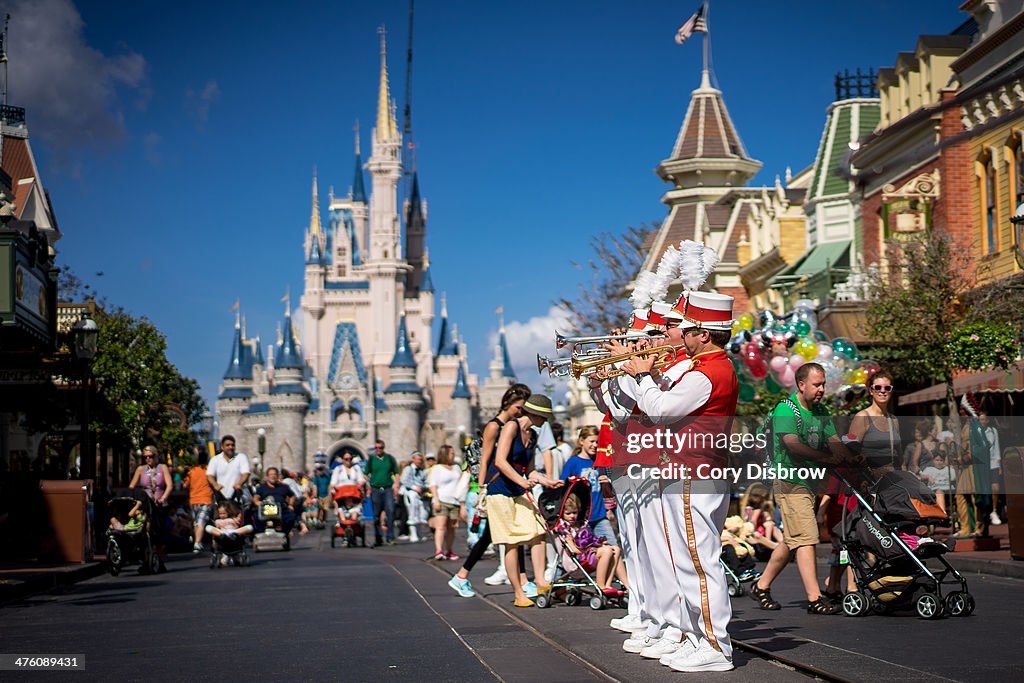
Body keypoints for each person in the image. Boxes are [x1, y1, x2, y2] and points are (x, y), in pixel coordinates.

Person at [618, 290, 742, 671]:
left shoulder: (708, 373)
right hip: (685, 469)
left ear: (705, 334)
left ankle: (716, 645)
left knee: (697, 561)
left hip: (695, 472)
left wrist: (642, 375)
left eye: (688, 330)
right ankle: (694, 635)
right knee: (684, 558)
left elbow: (661, 411)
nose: (681, 336)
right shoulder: (702, 368)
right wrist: (646, 375)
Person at [750, 362, 858, 617]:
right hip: (789, 480)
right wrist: (826, 459)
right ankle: (814, 597)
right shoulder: (786, 410)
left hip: (810, 481)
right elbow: (793, 445)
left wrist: (849, 458)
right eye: (816, 384)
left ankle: (761, 585)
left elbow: (833, 441)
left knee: (793, 538)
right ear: (801, 384)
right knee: (807, 536)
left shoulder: (820, 410)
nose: (822, 389)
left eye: (823, 384)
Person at [448, 383, 533, 599]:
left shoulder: (515, 428)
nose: (520, 412)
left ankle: (462, 576)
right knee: (507, 536)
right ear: (508, 403)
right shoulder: (495, 426)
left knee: (500, 535)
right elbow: (485, 458)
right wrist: (482, 487)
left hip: (509, 486)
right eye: (519, 407)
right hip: (496, 486)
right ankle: (463, 576)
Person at [487, 394, 562, 607]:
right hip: (500, 490)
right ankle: (519, 593)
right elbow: (500, 461)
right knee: (512, 542)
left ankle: (539, 580)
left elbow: (530, 471)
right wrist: (521, 480)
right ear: (535, 413)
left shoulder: (533, 435)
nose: (546, 421)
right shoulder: (511, 427)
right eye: (544, 416)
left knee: (538, 532)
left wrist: (546, 481)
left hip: (518, 489)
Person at [556, 492, 629, 593]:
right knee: (606, 551)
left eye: (575, 513)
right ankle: (600, 585)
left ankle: (612, 585)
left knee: (615, 549)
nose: (572, 516)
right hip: (575, 562)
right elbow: (575, 550)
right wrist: (592, 547)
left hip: (586, 556)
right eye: (568, 513)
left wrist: (598, 544)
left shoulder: (579, 525)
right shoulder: (564, 528)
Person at [561, 426, 616, 543]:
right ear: (581, 441)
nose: (595, 445)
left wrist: (609, 509)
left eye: (597, 442)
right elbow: (564, 488)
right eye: (592, 441)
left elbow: (605, 488)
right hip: (581, 519)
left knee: (613, 547)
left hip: (600, 516)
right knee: (589, 554)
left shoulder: (599, 461)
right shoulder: (573, 463)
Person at [128, 444, 173, 572]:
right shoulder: (140, 469)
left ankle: (159, 559)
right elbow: (132, 486)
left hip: (159, 505)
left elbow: (169, 485)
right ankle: (146, 560)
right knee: (143, 532)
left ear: (156, 456)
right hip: (145, 505)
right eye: (145, 457)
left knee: (159, 534)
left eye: (151, 457)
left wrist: (163, 498)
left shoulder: (162, 468)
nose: (148, 459)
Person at [848, 370, 901, 477]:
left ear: (891, 390)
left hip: (893, 478)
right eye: (877, 388)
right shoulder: (862, 417)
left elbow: (899, 454)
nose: (882, 391)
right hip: (870, 480)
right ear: (871, 391)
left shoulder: (893, 420)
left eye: (887, 388)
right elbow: (850, 453)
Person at [428, 445, 465, 560]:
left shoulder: (456, 468)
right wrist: (436, 500)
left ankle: (449, 550)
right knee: (441, 527)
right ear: (444, 455)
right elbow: (433, 485)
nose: (452, 455)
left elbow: (461, 483)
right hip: (442, 500)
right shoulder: (437, 468)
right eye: (451, 453)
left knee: (452, 528)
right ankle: (439, 550)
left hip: (455, 501)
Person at [365, 439, 400, 546]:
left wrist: (396, 485)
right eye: (376, 448)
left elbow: (396, 473)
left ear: (383, 448)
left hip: (388, 489)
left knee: (390, 512)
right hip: (375, 489)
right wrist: (368, 486)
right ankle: (378, 537)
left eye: (380, 448)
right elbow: (366, 474)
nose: (378, 450)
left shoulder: (390, 459)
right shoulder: (371, 460)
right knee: (376, 515)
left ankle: (390, 537)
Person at [738, 482, 782, 560]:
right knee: (759, 533)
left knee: (772, 526)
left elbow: (769, 520)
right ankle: (776, 546)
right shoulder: (749, 509)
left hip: (762, 532)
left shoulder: (765, 508)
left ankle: (780, 543)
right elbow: (752, 524)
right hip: (752, 532)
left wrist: (765, 513)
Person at [184, 450, 216, 552]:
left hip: (193, 500)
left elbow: (185, 485)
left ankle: (197, 542)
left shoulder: (192, 471)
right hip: (206, 499)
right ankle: (197, 543)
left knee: (196, 523)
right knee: (201, 522)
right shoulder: (209, 471)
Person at [206, 435, 251, 505]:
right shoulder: (215, 459)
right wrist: (215, 485)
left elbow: (246, 473)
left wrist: (239, 484)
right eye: (227, 445)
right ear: (222, 447)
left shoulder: (241, 457)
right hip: (221, 497)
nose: (231, 447)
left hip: (237, 496)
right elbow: (209, 475)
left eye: (233, 445)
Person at [253, 467, 298, 534]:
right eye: (271, 474)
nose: (273, 476)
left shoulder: (283, 487)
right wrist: (258, 502)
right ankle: (260, 534)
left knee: (291, 517)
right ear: (267, 476)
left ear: (277, 476)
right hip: (266, 510)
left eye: (274, 474)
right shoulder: (262, 487)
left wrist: (291, 505)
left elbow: (292, 496)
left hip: (281, 509)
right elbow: (256, 498)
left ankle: (285, 533)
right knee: (256, 517)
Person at [979, 412, 1003, 525]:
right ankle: (986, 512)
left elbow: (996, 447)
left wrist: (999, 464)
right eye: (980, 420)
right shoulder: (976, 432)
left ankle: (994, 511)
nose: (982, 422)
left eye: (983, 419)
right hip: (981, 465)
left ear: (987, 421)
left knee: (995, 487)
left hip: (993, 463)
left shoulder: (993, 431)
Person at [400, 452, 429, 543]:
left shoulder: (422, 470)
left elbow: (426, 482)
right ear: (413, 459)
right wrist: (414, 488)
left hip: (421, 494)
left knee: (423, 513)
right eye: (417, 459)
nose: (419, 461)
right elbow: (404, 481)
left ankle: (420, 533)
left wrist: (424, 488)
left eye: (420, 460)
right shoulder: (408, 469)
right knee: (412, 512)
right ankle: (413, 533)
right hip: (410, 493)